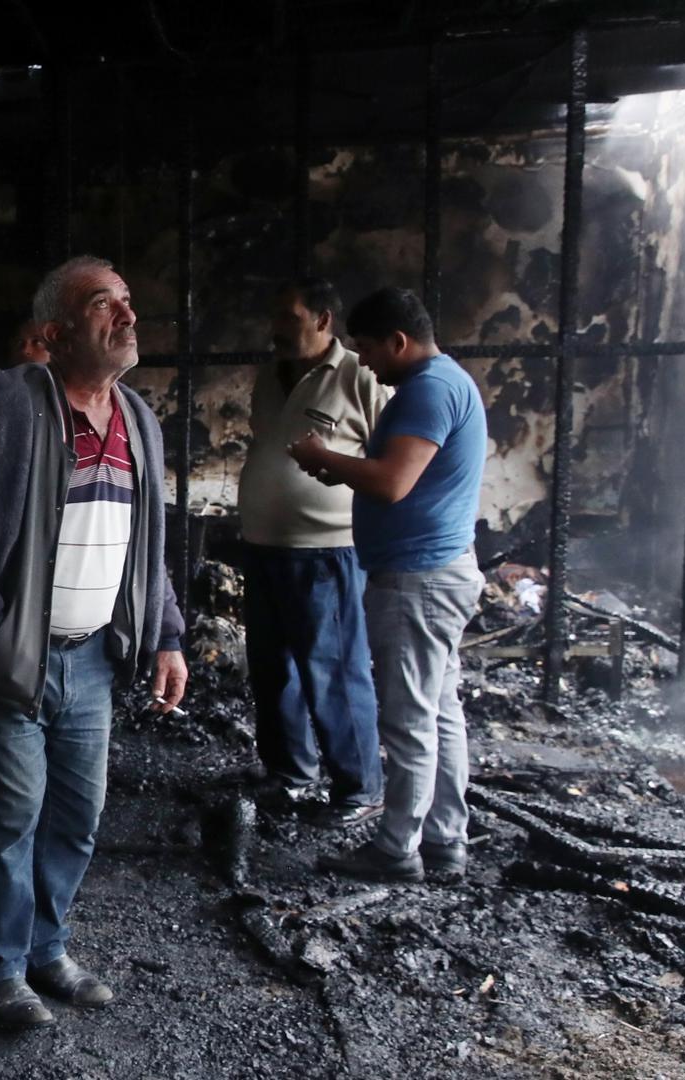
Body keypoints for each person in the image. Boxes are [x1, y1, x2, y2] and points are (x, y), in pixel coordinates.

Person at [0, 255, 188, 1028]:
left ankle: (45, 949)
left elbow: (147, 546)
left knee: (74, 816)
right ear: (53, 332)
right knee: (8, 820)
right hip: (13, 659)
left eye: (128, 302)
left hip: (95, 658)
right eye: (105, 305)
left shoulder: (137, 419)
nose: (127, 317)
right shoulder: (1, 413)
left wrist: (166, 635)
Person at [288, 287, 486, 883]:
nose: (364, 361)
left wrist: (323, 456)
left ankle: (398, 847)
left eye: (369, 348)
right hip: (434, 572)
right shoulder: (445, 383)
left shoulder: (428, 390)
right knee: (438, 712)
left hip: (417, 581)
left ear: (399, 341)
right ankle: (446, 840)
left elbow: (393, 482)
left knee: (408, 721)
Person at [238, 278, 389, 827]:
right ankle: (290, 772)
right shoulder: (268, 376)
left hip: (325, 551)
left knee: (333, 670)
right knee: (273, 668)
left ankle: (359, 787)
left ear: (324, 320)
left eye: (289, 315)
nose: (276, 327)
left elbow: (392, 461)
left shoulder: (361, 376)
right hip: (263, 547)